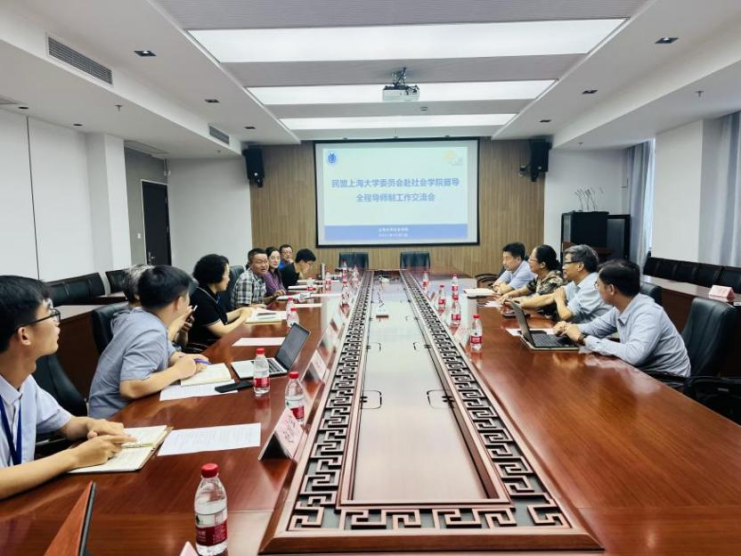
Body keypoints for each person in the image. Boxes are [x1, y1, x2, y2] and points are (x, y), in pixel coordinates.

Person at [0, 276, 135, 499]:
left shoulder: (25, 382)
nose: (57, 322)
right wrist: (75, 457)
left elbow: (67, 424)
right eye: (50, 314)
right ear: (24, 335)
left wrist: (93, 424)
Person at [88, 266, 209, 419]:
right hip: (115, 418)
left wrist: (185, 359)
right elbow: (130, 387)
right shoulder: (151, 330)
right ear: (179, 302)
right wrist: (178, 371)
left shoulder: (140, 316)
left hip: (126, 409)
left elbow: (168, 353)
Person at [555, 260, 690, 378]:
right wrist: (568, 328)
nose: (597, 290)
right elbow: (595, 328)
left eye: (598, 285)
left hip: (668, 380)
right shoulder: (621, 307)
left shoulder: (648, 313)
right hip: (641, 373)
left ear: (611, 289)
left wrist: (583, 338)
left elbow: (634, 355)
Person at [113, 264, 193, 347]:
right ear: (138, 294)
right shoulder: (125, 320)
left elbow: (179, 345)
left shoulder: (154, 313)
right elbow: (150, 348)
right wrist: (175, 326)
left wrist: (182, 331)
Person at [190, 254, 255, 346]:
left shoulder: (211, 293)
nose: (229, 279)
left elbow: (219, 318)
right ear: (216, 275)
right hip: (208, 347)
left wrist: (240, 311)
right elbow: (222, 332)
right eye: (227, 275)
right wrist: (243, 317)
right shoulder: (200, 299)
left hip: (218, 343)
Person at [540, 244, 609, 324]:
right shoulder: (576, 282)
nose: (563, 267)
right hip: (579, 330)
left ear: (580, 266)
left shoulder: (593, 285)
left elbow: (565, 315)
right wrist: (526, 303)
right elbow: (550, 297)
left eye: (566, 263)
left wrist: (559, 300)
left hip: (593, 332)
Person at [500, 245, 563, 312]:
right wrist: (508, 295)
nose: (528, 261)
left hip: (548, 318)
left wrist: (513, 300)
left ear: (542, 265)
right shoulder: (539, 277)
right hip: (537, 314)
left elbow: (535, 300)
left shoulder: (554, 280)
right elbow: (520, 291)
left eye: (531, 259)